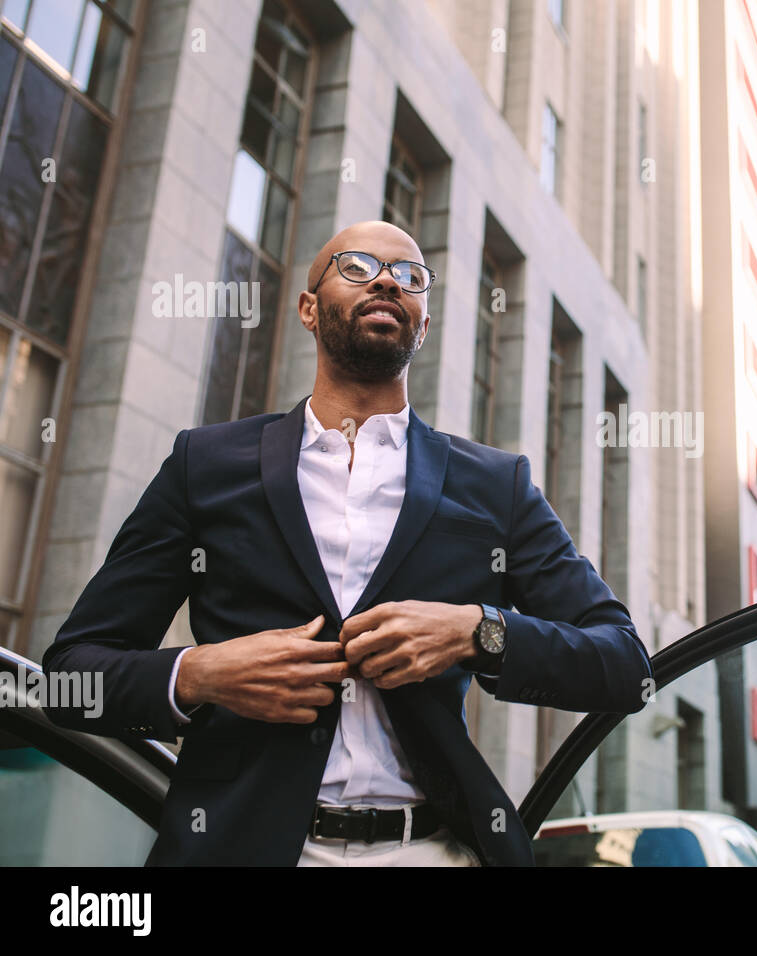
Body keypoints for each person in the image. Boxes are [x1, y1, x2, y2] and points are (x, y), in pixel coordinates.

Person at [41, 220, 653, 866]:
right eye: (357, 267)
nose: (388, 279)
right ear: (309, 308)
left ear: (422, 324)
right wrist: (200, 673)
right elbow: (70, 677)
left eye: (410, 276)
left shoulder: (496, 486)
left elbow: (624, 665)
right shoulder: (206, 465)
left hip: (430, 850)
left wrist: (479, 631)